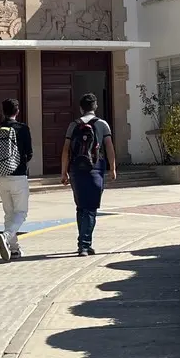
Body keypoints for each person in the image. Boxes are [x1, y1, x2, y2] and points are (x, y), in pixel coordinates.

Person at [61, 93, 117, 256]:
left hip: (76, 168)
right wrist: (112, 168)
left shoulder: (73, 125)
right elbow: (109, 147)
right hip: (95, 167)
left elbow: (66, 149)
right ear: (95, 107)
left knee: (81, 207)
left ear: (81, 108)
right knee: (91, 208)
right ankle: (84, 245)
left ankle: (83, 242)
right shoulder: (103, 125)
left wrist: (64, 171)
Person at [0, 98, 33, 262]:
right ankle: (7, 236)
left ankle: (15, 250)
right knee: (21, 213)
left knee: (9, 213)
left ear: (3, 111)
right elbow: (29, 153)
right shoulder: (22, 129)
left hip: (0, 176)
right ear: (17, 111)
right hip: (18, 175)